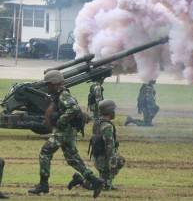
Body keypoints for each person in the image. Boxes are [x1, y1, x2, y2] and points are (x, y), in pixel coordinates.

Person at [28, 70, 103, 198]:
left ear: (55, 83)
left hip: (63, 132)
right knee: (73, 159)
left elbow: (74, 108)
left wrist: (61, 120)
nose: (47, 87)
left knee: (45, 152)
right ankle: (95, 181)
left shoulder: (63, 95)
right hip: (67, 133)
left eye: (49, 84)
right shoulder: (59, 94)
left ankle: (43, 184)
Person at [68, 100, 125, 191]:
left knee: (116, 164)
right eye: (113, 110)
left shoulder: (98, 123)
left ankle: (106, 182)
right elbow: (109, 147)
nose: (114, 112)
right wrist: (113, 163)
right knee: (119, 161)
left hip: (97, 157)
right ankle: (82, 181)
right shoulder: (107, 126)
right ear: (109, 111)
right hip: (103, 159)